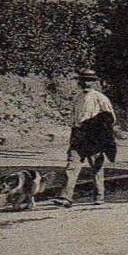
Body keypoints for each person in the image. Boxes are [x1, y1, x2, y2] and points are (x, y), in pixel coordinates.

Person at [53, 69, 116, 208]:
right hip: (79, 135)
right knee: (72, 165)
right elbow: (73, 118)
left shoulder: (100, 98)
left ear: (94, 82)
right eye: (84, 80)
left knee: (96, 167)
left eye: (89, 80)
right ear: (79, 82)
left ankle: (99, 197)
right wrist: (75, 132)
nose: (86, 83)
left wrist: (101, 133)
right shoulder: (77, 98)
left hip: (94, 136)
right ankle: (65, 197)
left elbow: (110, 118)